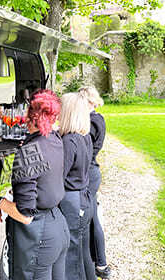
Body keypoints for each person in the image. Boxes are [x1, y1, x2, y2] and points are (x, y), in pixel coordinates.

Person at [0, 89, 70, 280]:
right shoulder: (55, 139)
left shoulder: (27, 152)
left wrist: (0, 202)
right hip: (59, 226)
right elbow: (41, 182)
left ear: (30, 116)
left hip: (39, 238)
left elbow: (25, 216)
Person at [58, 92, 96, 280]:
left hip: (71, 201)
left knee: (71, 258)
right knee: (82, 251)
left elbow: (59, 177)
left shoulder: (69, 141)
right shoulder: (85, 137)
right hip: (83, 198)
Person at [79, 87, 111, 279]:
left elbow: (85, 149)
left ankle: (100, 264)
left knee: (92, 219)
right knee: (91, 218)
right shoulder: (95, 119)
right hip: (90, 171)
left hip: (89, 172)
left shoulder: (92, 121)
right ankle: (96, 262)